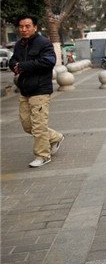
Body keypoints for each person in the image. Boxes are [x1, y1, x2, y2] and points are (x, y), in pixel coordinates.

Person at [8, 15, 64, 168]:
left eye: (27, 26)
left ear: (35, 27)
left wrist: (24, 66)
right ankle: (56, 137)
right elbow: (13, 60)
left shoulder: (43, 43)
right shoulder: (19, 44)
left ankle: (43, 155)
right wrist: (14, 66)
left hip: (40, 89)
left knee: (38, 125)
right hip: (25, 89)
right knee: (27, 125)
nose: (24, 29)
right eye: (21, 26)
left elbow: (49, 61)